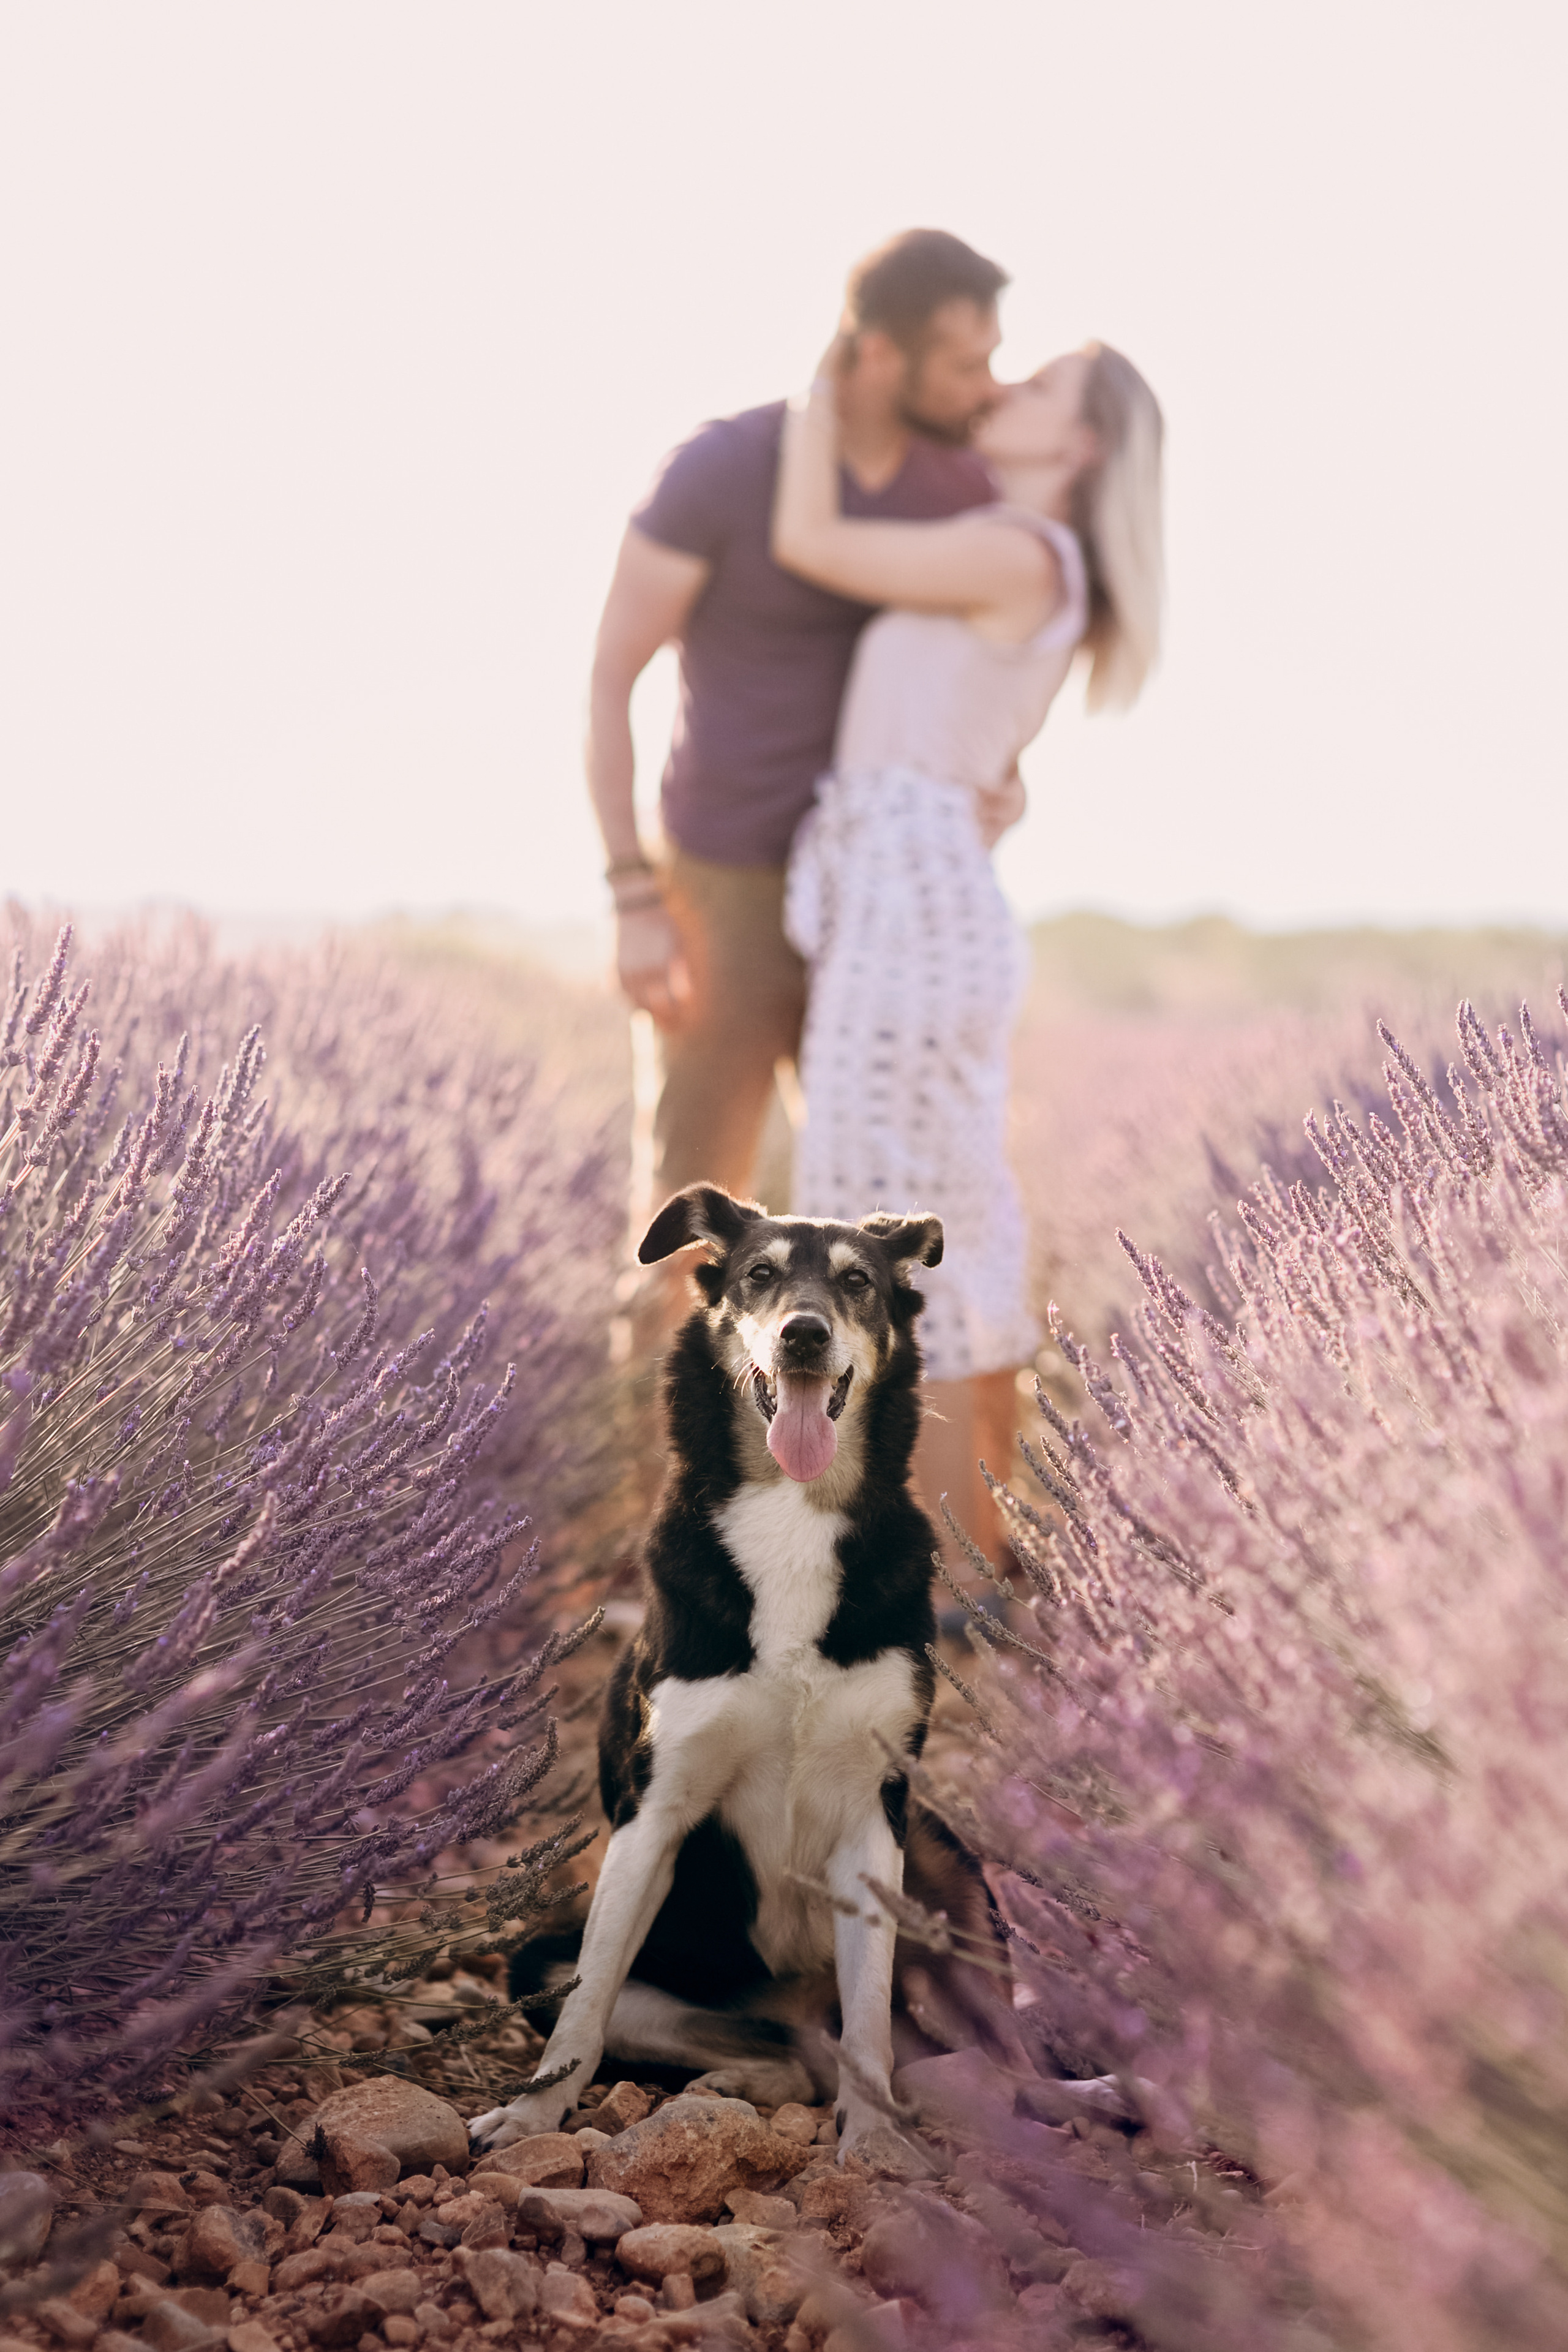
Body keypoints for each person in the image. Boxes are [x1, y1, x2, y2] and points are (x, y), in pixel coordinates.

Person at [771, 340, 1164, 1544]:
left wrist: (821, 386)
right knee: (944, 1239)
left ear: (1079, 446)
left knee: (890, 1259)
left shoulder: (1017, 551)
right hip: (915, 904)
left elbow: (811, 542)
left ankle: (942, 1572)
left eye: (1036, 388)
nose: (1005, 388)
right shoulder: (1029, 557)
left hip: (910, 922)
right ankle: (972, 1556)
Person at [584, 232, 1011, 1297]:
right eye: (966, 363)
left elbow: (989, 668)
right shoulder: (724, 469)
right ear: (879, 353)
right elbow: (610, 677)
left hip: (883, 895)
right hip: (723, 887)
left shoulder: (964, 489)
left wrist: (1002, 774)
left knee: (887, 1218)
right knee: (692, 1217)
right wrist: (632, 891)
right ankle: (658, 1412)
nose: (989, 388)